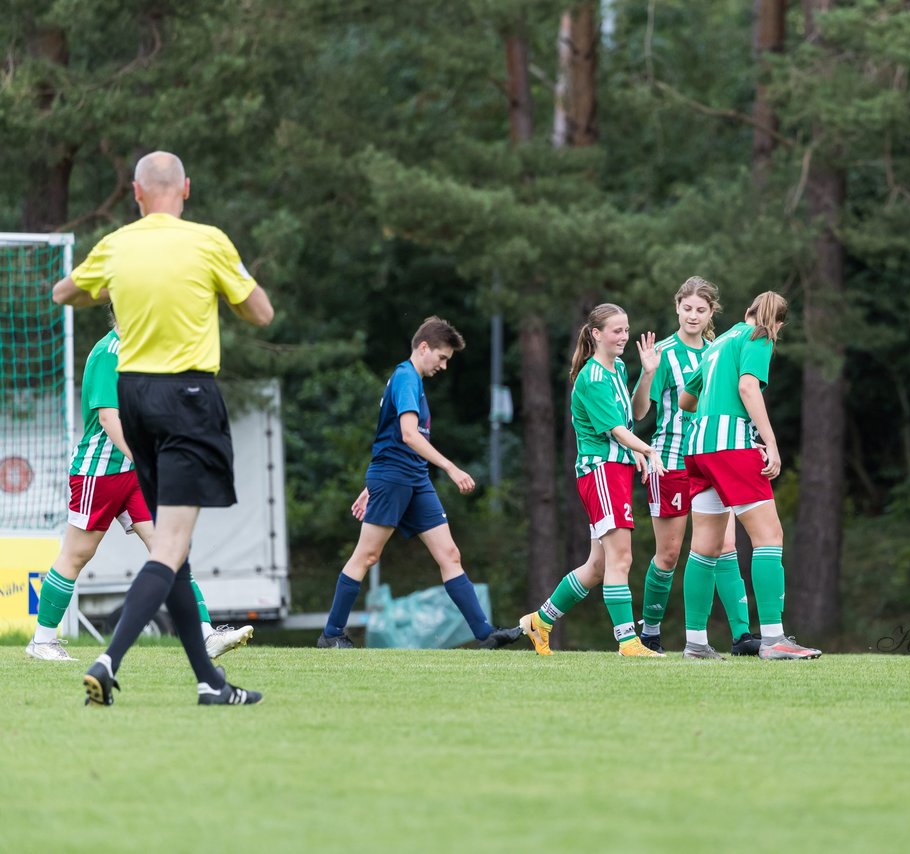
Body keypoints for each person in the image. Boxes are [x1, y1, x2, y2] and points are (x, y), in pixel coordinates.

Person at [52, 150, 275, 706]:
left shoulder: (117, 245)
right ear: (186, 189)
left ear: (136, 193)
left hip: (136, 401)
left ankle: (210, 683)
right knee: (170, 544)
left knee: (176, 550)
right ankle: (108, 661)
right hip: (187, 396)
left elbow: (64, 293)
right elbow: (261, 313)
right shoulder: (208, 241)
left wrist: (99, 290)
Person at [26, 319, 252, 662]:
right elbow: (108, 418)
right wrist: (145, 457)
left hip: (132, 474)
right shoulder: (108, 352)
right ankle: (42, 641)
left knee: (171, 548)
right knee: (77, 554)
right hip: (98, 473)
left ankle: (206, 634)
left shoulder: (142, 350)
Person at [317, 316, 524, 650]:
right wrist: (451, 468)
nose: (443, 366)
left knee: (449, 555)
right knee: (367, 555)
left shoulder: (412, 381)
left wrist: (372, 487)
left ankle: (486, 634)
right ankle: (332, 632)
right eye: (441, 357)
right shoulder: (405, 378)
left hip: (413, 478)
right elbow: (409, 435)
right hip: (396, 477)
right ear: (423, 347)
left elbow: (392, 438)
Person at [678, 291, 821, 660]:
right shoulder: (760, 336)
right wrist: (769, 443)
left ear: (747, 312)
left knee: (704, 547)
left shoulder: (717, 343)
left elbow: (685, 399)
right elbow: (747, 386)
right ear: (778, 324)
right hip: (730, 448)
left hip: (696, 449)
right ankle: (774, 640)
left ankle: (695, 642)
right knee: (769, 536)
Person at [519, 303, 667, 657]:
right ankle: (629, 641)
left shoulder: (615, 368)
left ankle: (540, 621)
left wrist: (647, 374)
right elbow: (616, 431)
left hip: (614, 471)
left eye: (626, 329)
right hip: (601, 472)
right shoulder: (592, 376)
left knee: (598, 566)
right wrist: (648, 451)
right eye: (617, 330)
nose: (624, 336)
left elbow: (633, 415)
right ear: (596, 334)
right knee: (622, 559)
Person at [629, 277, 759, 658]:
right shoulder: (665, 353)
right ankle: (650, 633)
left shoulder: (720, 351)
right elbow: (639, 414)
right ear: (677, 308)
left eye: (701, 310)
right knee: (668, 555)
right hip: (669, 462)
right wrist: (647, 372)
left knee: (726, 546)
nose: (693, 315)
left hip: (713, 457)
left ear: (711, 313)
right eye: (687, 308)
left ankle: (741, 636)